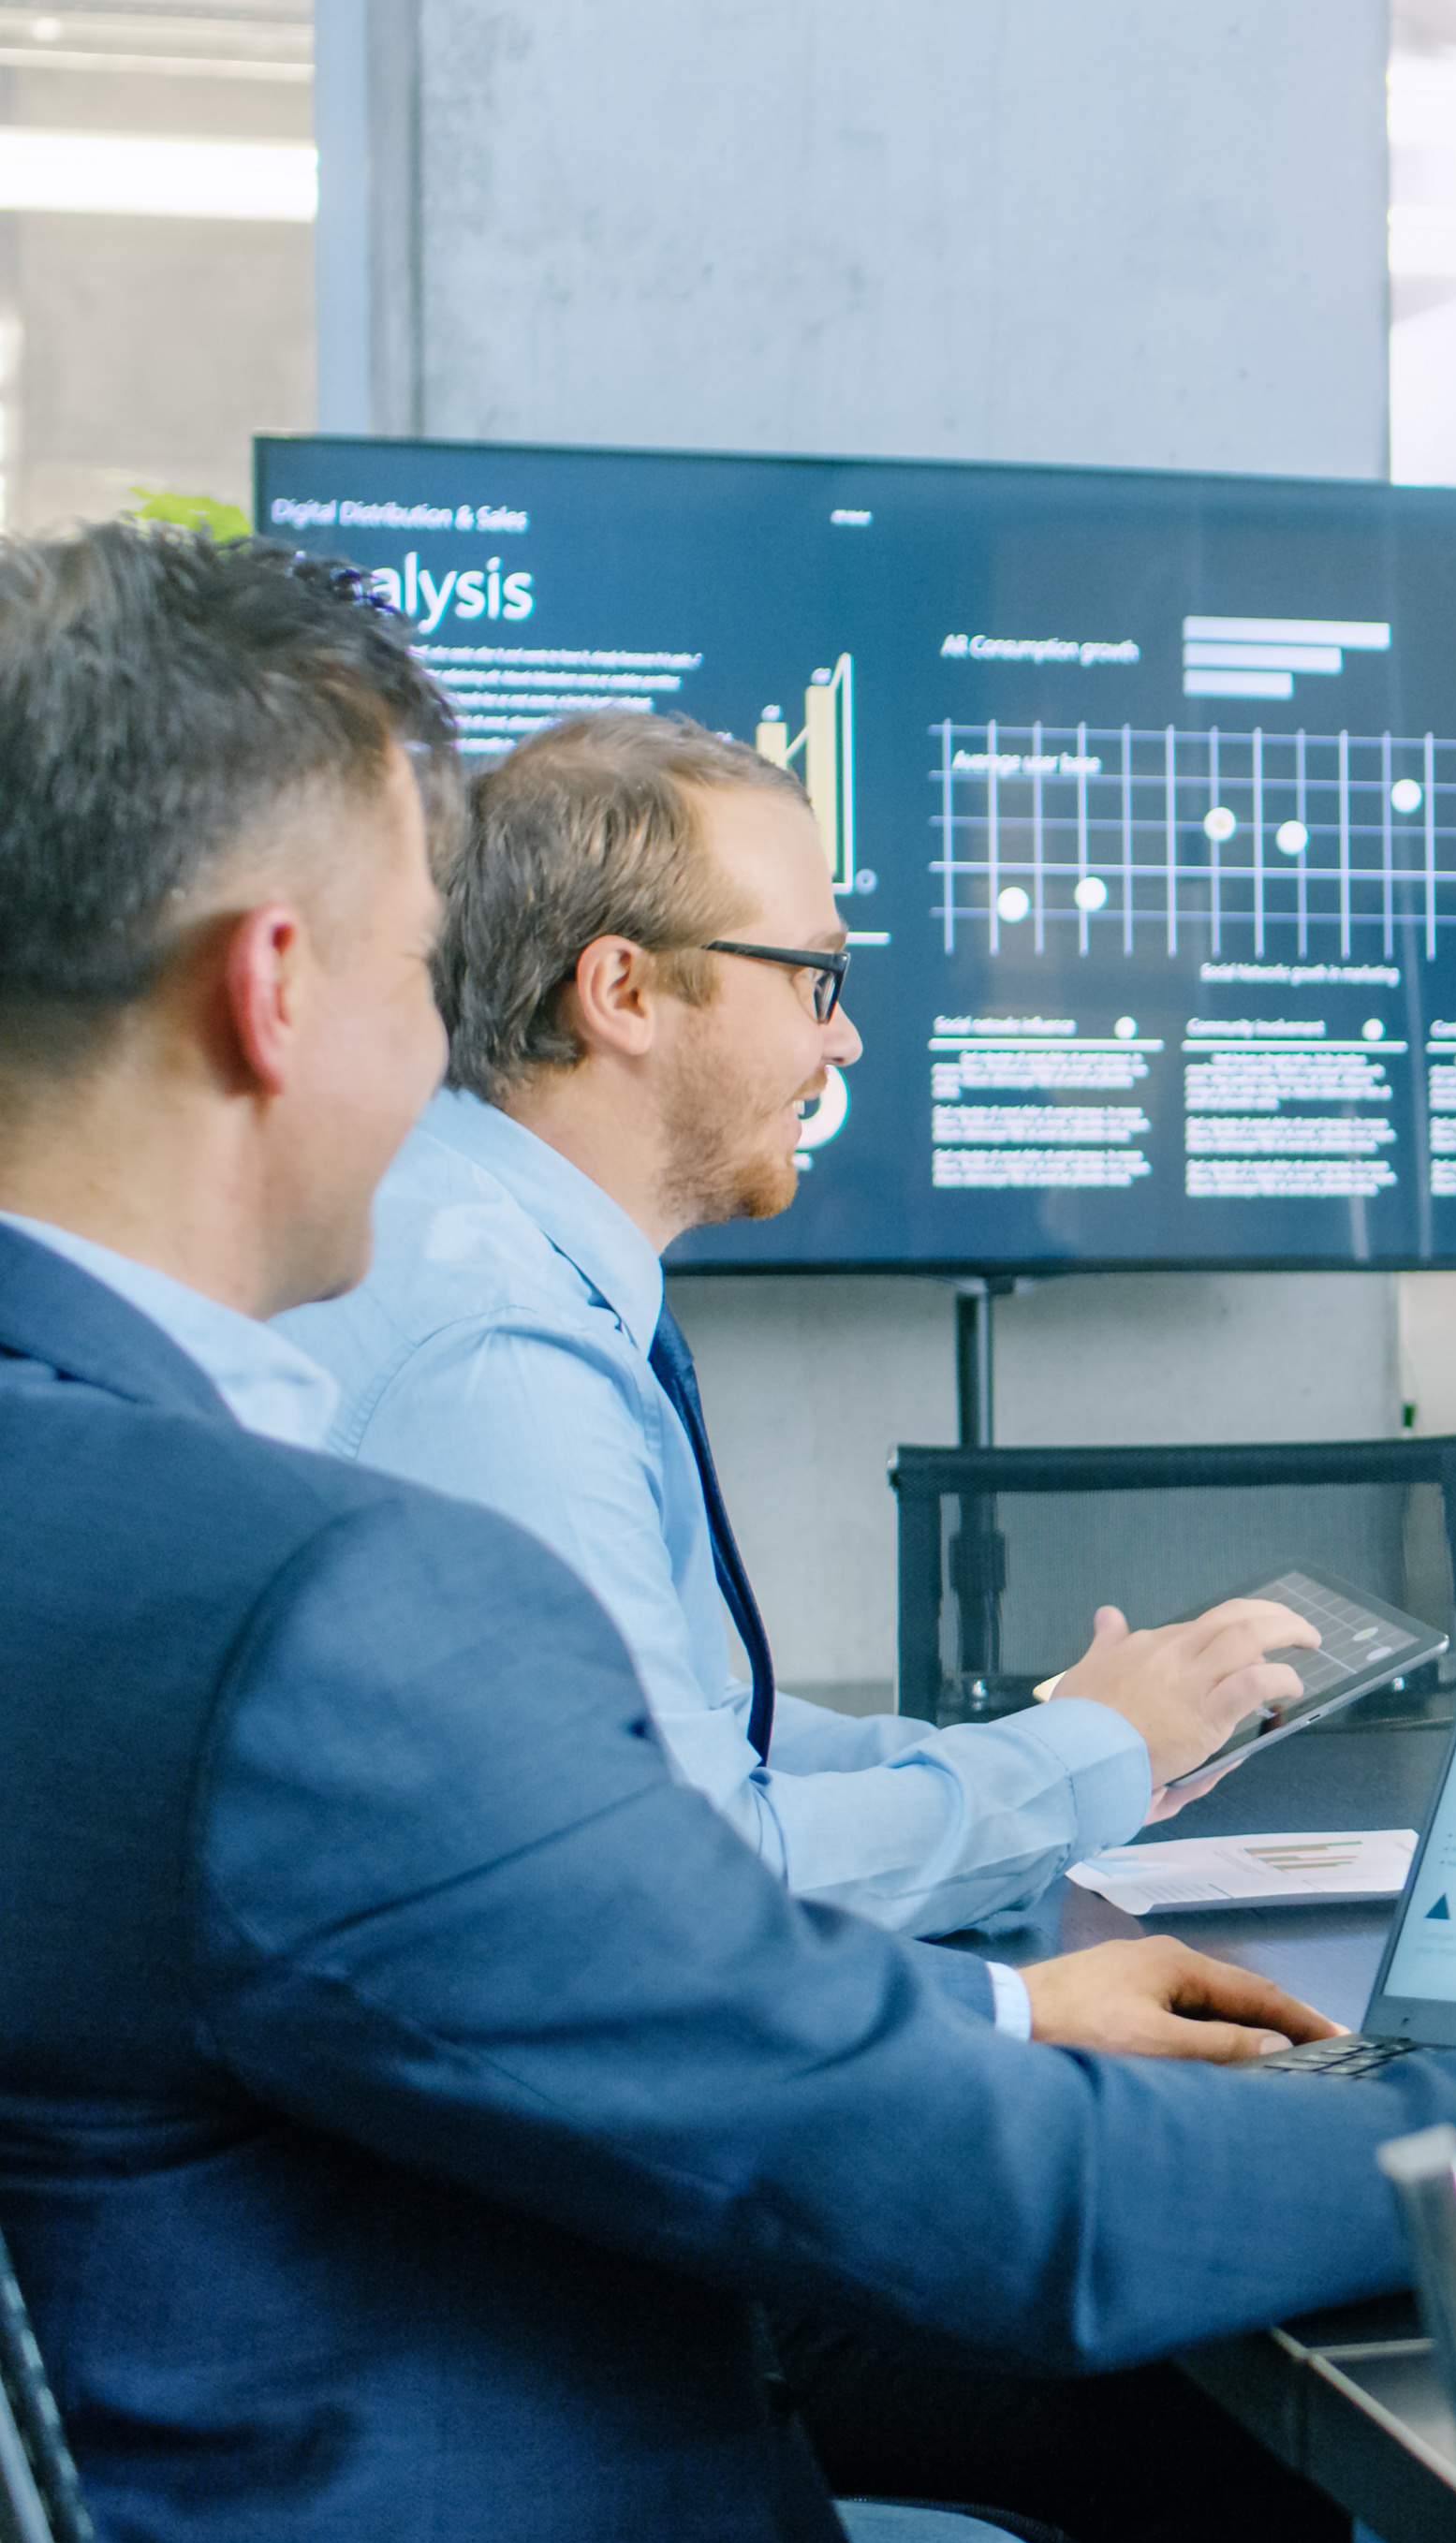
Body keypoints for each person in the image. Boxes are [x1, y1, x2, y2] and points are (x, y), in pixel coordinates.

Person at [0, 522, 1456, 2543]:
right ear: (273, 987)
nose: (443, 1059)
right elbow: (1017, 2205)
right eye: (412, 967)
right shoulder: (307, 1613)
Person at [282, 709, 1311, 1945]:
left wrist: (1062, 1753)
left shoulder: (475, 1237)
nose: (845, 1037)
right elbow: (695, 1881)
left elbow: (696, 1732)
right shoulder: (499, 1353)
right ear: (623, 990)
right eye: (814, 977)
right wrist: (1082, 1755)